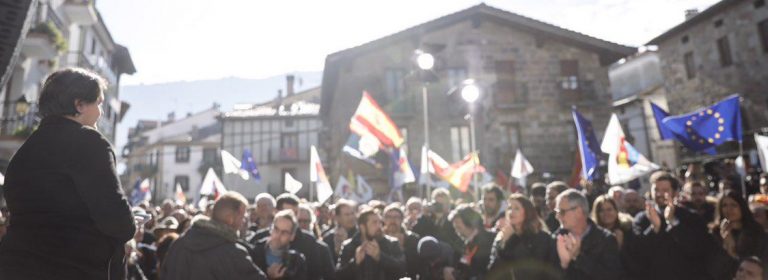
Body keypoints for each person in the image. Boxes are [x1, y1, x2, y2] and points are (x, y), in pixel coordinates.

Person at [0, 68, 136, 280]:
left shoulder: (25, 151)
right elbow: (118, 222)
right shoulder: (90, 143)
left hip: (15, 267)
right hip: (72, 268)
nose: (100, 113)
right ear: (79, 104)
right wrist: (132, 224)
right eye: (98, 103)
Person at [624, 171, 717, 280]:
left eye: (665, 190)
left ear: (674, 193)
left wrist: (673, 222)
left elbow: (697, 248)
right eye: (656, 190)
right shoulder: (642, 218)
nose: (659, 194)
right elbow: (638, 252)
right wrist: (654, 228)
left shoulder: (690, 217)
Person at [160, 191, 267, 280]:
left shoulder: (179, 243)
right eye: (242, 216)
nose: (244, 221)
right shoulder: (233, 253)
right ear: (230, 218)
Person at [553, 189, 623, 280]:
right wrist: (564, 265)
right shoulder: (555, 239)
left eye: (562, 212)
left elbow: (611, 276)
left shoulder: (606, 239)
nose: (557, 216)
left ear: (578, 211)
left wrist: (578, 256)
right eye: (557, 212)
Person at [488, 194, 558, 280]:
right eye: (509, 208)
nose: (511, 212)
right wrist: (503, 244)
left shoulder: (541, 237)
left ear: (527, 212)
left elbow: (531, 271)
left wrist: (514, 240)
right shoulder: (502, 236)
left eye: (516, 208)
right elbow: (493, 271)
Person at [337, 207, 406, 279]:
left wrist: (380, 257)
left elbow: (402, 270)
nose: (379, 226)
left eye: (380, 222)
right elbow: (338, 276)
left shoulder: (392, 243)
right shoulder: (349, 246)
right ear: (362, 227)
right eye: (374, 222)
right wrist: (355, 262)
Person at [710, 191, 768, 277]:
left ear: (742, 207)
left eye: (734, 205)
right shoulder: (715, 232)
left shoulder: (755, 231)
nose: (729, 209)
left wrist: (732, 249)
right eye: (724, 205)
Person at [253, 210, 308, 280]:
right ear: (271, 229)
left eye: (284, 232)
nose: (278, 235)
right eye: (276, 229)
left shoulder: (297, 261)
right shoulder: (254, 252)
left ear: (292, 236)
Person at [448, 204, 495, 280]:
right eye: (455, 228)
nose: (457, 231)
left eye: (459, 227)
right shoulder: (463, 243)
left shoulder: (490, 239)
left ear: (470, 223)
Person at [413, 188, 463, 256]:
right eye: (437, 203)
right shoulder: (427, 218)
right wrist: (423, 215)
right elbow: (416, 234)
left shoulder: (453, 220)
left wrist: (439, 220)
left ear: (448, 204)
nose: (439, 207)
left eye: (442, 204)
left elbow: (453, 241)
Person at [382, 203, 421, 278]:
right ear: (384, 219)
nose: (392, 220)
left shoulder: (412, 238)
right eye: (389, 217)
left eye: (396, 217)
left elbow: (417, 264)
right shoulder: (379, 239)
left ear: (402, 219)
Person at [323, 199, 357, 265]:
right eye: (347, 214)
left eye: (352, 213)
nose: (351, 217)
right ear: (337, 217)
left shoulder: (360, 234)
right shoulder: (329, 237)